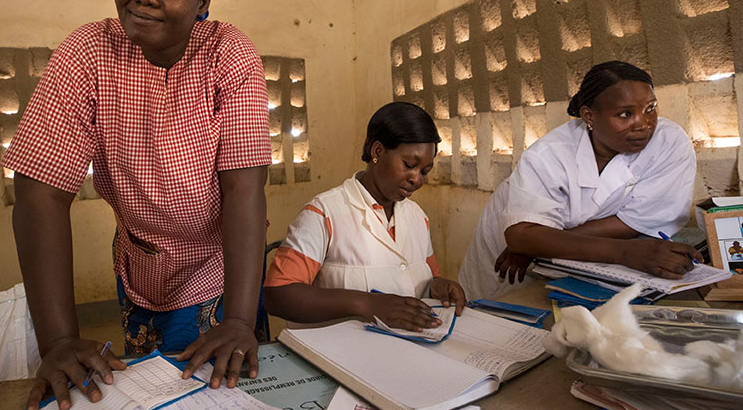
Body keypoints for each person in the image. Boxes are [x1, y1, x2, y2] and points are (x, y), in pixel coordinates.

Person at [3, 0, 271, 410]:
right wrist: (59, 339)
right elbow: (41, 191)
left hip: (221, 269)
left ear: (202, 3)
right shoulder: (88, 51)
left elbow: (243, 189)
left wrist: (237, 319)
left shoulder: (228, 53)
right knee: (153, 405)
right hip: (141, 267)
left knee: (225, 404)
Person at [458, 61, 699, 301]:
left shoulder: (668, 142)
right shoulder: (550, 155)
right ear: (589, 116)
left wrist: (541, 244)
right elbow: (520, 235)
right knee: (503, 316)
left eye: (650, 108)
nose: (644, 123)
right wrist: (532, 242)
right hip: (508, 263)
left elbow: (637, 220)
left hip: (576, 261)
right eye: (625, 114)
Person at [262, 102, 466, 330]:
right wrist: (366, 304)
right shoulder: (324, 213)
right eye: (409, 165)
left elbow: (422, 279)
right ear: (377, 151)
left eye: (424, 172)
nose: (417, 179)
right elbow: (278, 295)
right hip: (340, 355)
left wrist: (436, 286)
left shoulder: (418, 217)